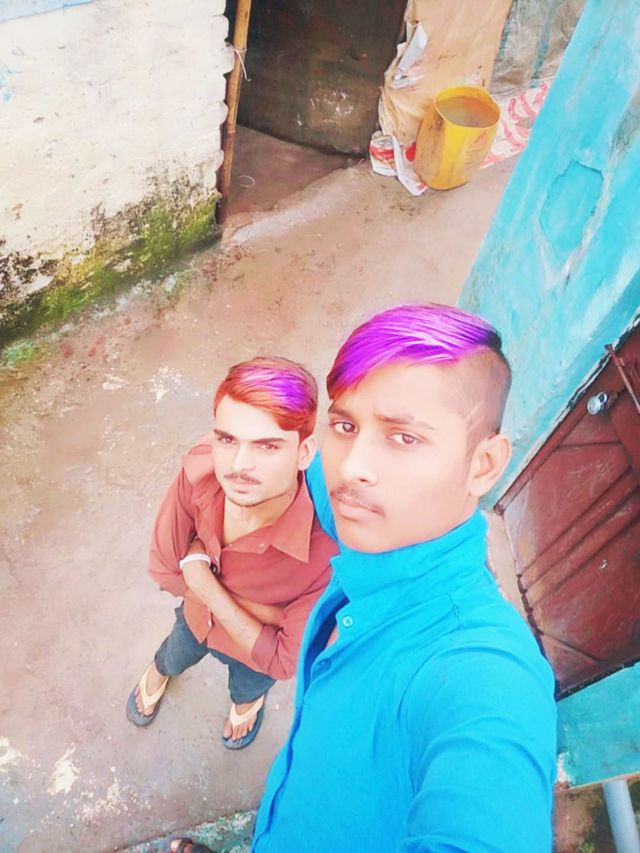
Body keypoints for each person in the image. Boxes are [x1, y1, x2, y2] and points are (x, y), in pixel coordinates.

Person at [171, 303, 557, 853]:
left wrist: (206, 586)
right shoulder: (361, 511)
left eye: (404, 438)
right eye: (346, 426)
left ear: (484, 465)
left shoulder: (483, 674)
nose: (352, 467)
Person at [126, 356, 337, 749]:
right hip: (196, 622)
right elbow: (163, 570)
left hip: (251, 658)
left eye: (267, 446)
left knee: (248, 688)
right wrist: (272, 616)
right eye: (227, 440)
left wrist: (203, 581)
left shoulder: (327, 550)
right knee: (172, 656)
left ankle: (245, 706)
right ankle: (159, 672)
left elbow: (284, 661)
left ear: (304, 453)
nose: (238, 465)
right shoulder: (201, 472)